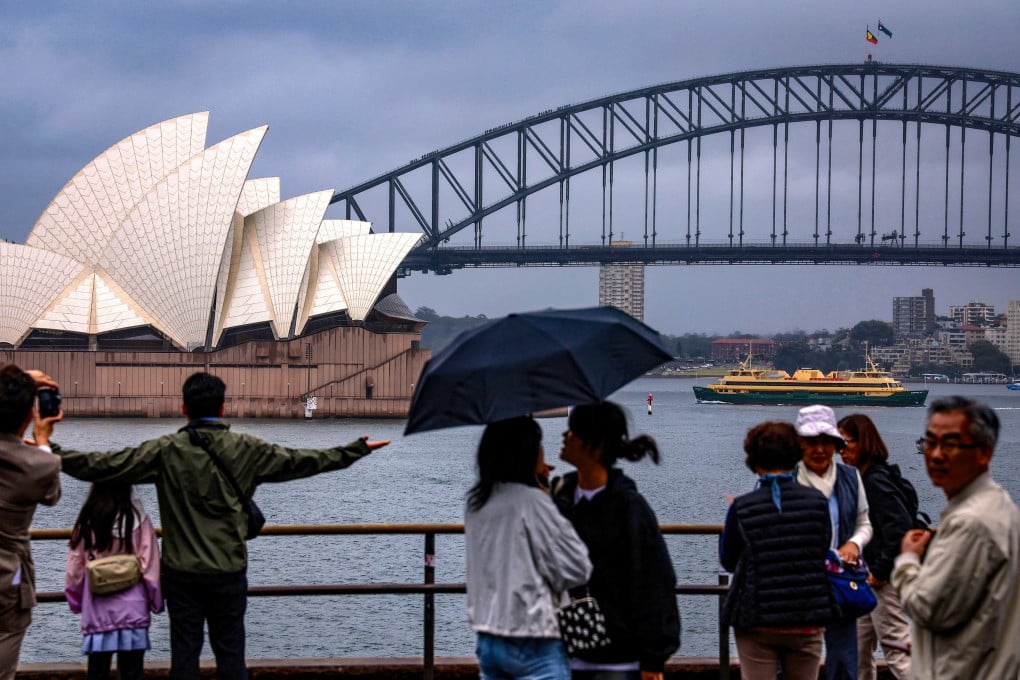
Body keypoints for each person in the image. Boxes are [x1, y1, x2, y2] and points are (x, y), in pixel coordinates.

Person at [38, 372, 390, 680]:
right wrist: (355, 449)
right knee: (231, 656)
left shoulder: (167, 449)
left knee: (185, 658)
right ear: (223, 408)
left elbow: (102, 465)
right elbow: (305, 462)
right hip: (228, 570)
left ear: (183, 408)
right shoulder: (246, 448)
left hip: (182, 574)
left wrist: (46, 445)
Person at [891, 396, 1020, 678]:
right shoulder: (1003, 507)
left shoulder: (970, 523)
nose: (935, 455)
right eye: (930, 443)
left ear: (984, 453)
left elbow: (927, 608)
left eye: (950, 444)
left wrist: (908, 560)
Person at [551, 401, 680, 680]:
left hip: (617, 658)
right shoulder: (560, 498)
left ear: (593, 444)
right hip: (562, 653)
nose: (564, 437)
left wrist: (653, 659)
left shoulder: (629, 507)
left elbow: (654, 582)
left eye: (572, 432)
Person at [465, 416, 592, 680]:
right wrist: (546, 499)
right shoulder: (533, 502)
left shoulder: (476, 504)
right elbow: (578, 568)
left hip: (488, 636)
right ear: (527, 455)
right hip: (533, 638)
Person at [720, 421, 837, 680]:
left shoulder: (742, 507)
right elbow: (821, 550)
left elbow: (728, 560)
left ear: (753, 459)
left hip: (757, 616)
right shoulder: (817, 503)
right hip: (807, 614)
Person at [794, 404, 872, 680]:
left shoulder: (850, 477)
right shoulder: (785, 480)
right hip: (796, 585)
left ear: (835, 444)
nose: (819, 449)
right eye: (811, 442)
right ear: (799, 444)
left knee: (843, 661)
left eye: (826, 442)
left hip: (841, 580)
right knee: (795, 660)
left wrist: (854, 544)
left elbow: (864, 523)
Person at [836, 414, 912, 680]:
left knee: (897, 653)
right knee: (856, 652)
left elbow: (900, 528)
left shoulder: (874, 481)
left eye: (844, 443)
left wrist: (879, 571)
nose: (840, 451)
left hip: (882, 581)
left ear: (863, 442)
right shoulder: (869, 477)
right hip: (868, 579)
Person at [0, 365, 62, 680]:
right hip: (7, 581)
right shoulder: (42, 464)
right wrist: (42, 440)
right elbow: (52, 496)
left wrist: (18, 380)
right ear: (29, 416)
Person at [65, 482, 162, 680]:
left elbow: (74, 570)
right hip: (133, 610)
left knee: (97, 672)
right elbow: (150, 568)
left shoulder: (87, 520)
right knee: (132, 672)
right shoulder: (138, 519)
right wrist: (156, 602)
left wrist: (76, 603)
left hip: (98, 608)